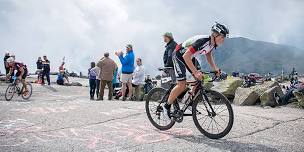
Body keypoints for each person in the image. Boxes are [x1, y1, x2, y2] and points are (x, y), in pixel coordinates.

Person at [163, 22, 229, 120]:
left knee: (200, 79)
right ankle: (166, 106)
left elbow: (208, 55)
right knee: (182, 84)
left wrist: (216, 69)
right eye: (222, 37)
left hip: (189, 56)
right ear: (215, 34)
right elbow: (186, 56)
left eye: (225, 37)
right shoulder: (203, 41)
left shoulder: (212, 43)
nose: (223, 40)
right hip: (179, 55)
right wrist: (195, 72)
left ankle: (188, 101)